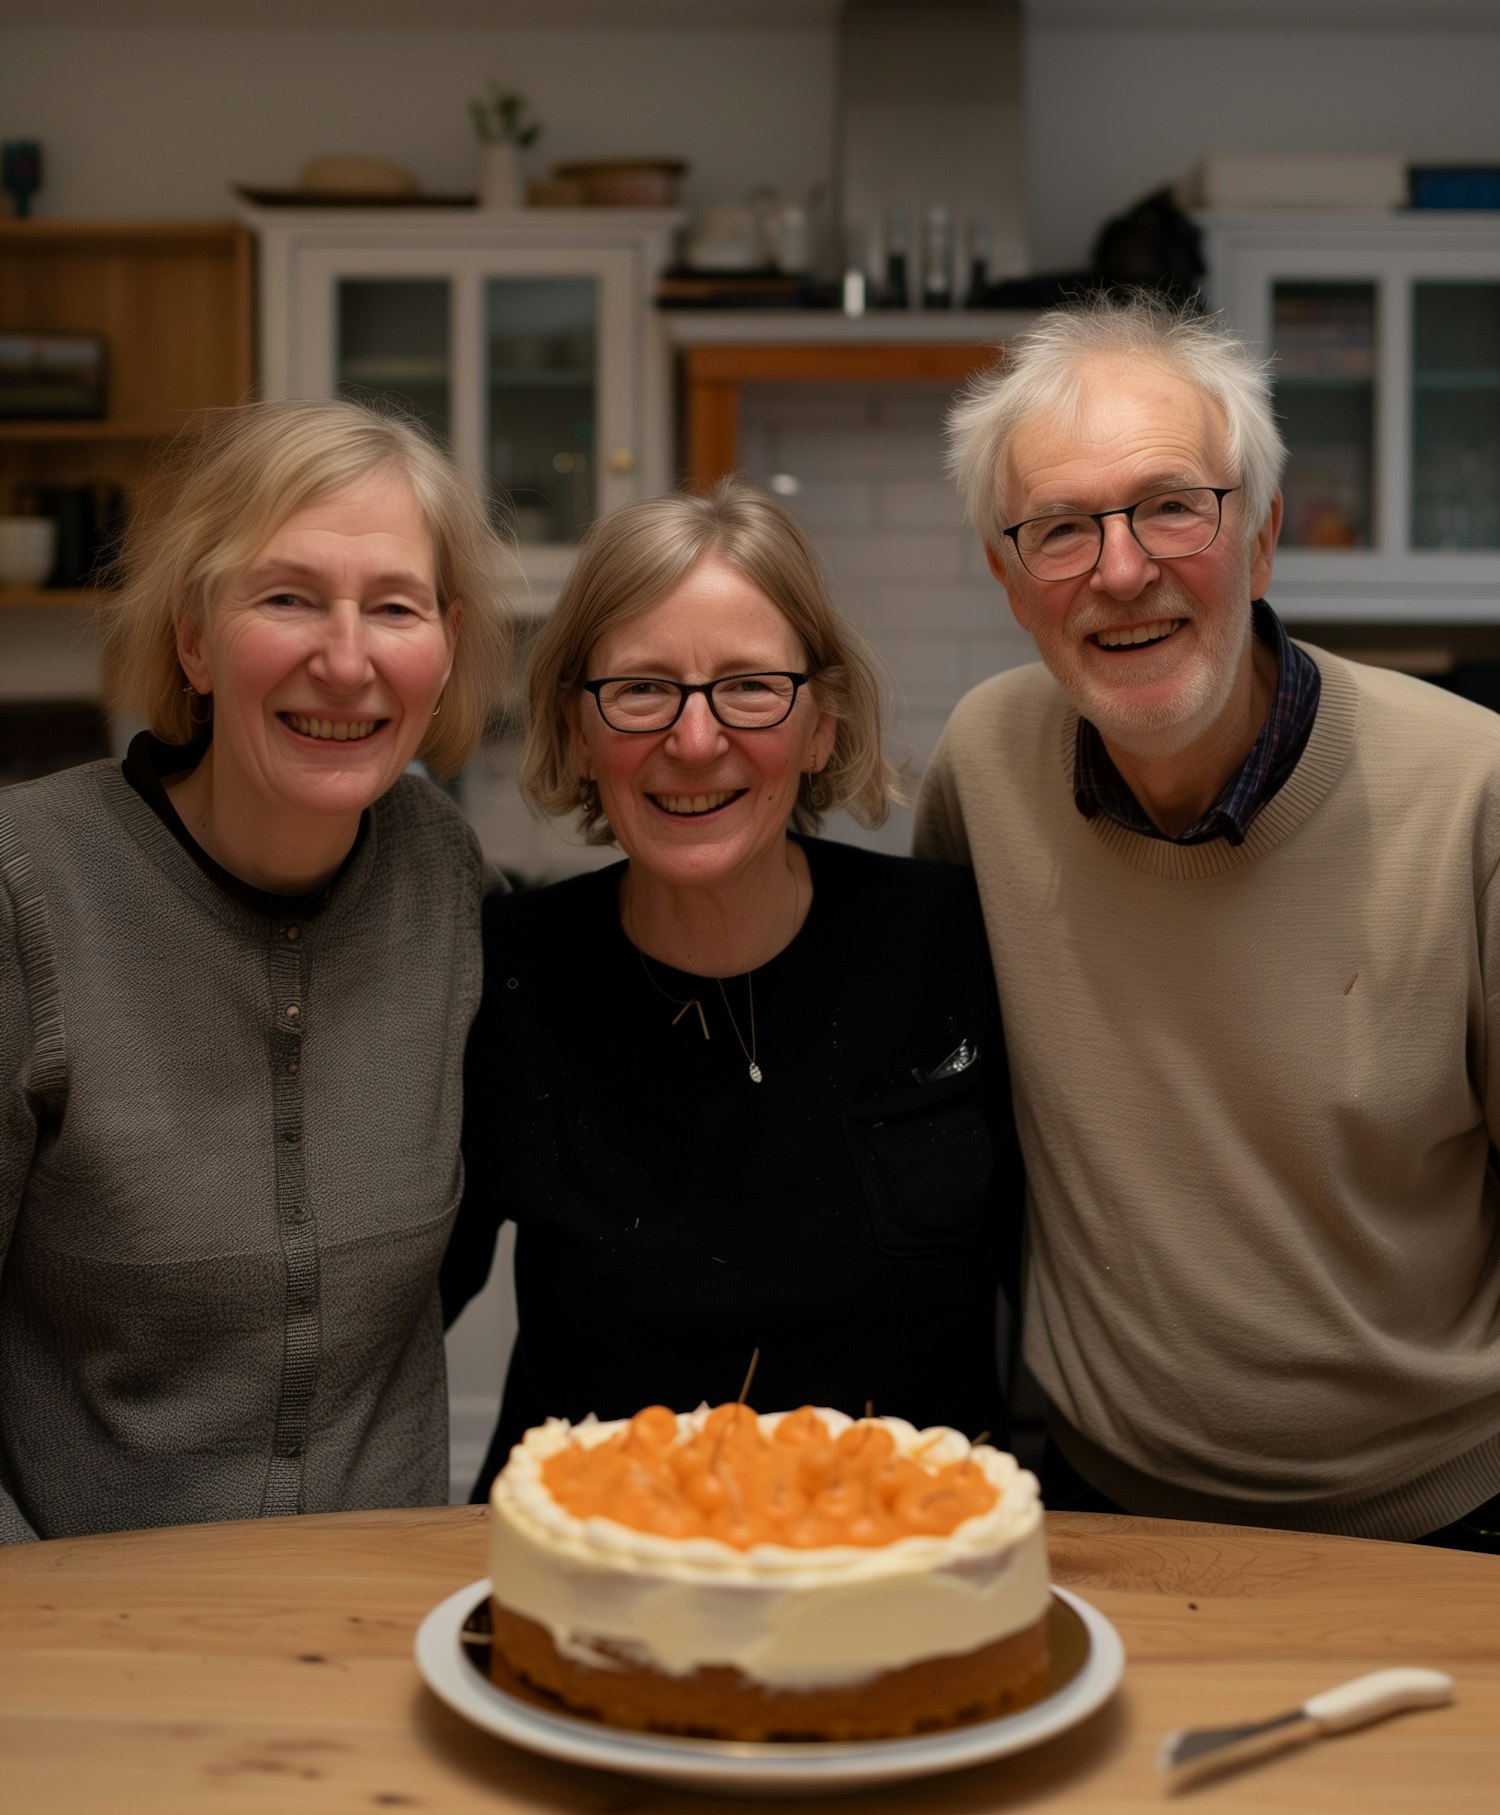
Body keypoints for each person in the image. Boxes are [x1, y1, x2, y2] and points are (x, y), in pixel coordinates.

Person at [915, 291, 1500, 1552]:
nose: (1122, 570)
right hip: (1104, 1515)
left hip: (1445, 1522)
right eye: (1061, 529)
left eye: (1174, 504)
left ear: (1264, 537)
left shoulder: (1473, 792)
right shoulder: (984, 771)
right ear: (1012, 583)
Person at [443, 477, 1023, 1496]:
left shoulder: (956, 947)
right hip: (594, 1569)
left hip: (913, 1566)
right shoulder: (510, 975)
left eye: (751, 686)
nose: (696, 740)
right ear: (580, 730)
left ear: (822, 723)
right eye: (641, 688)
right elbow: (384, 1311)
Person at [0, 398, 511, 1544]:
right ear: (194, 637)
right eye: (287, 598)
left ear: (445, 646)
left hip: (377, 1623)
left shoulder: (444, 879)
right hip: (79, 1643)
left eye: (394, 606)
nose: (345, 658)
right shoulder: (26, 884)